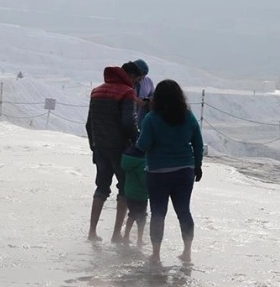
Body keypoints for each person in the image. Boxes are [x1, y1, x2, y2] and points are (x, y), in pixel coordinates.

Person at [136, 79, 204, 263]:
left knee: (158, 213)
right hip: (184, 171)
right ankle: (187, 251)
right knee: (184, 211)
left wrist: (142, 119)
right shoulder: (188, 116)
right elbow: (198, 143)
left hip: (158, 172)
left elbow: (143, 145)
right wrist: (197, 166)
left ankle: (156, 254)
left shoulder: (151, 118)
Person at [85, 61, 141, 242]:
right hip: (120, 149)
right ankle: (116, 234)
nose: (136, 84)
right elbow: (128, 123)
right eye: (137, 80)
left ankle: (92, 232)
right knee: (123, 189)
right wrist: (138, 142)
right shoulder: (127, 92)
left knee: (101, 188)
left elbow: (88, 124)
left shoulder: (97, 91)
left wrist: (94, 145)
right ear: (131, 76)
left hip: (100, 147)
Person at [121, 146, 148, 246]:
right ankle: (139, 239)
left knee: (132, 214)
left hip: (130, 192)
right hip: (141, 194)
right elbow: (144, 181)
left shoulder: (128, 161)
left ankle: (126, 236)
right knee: (141, 217)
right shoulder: (142, 163)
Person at [134, 59, 154, 128]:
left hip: (142, 123)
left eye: (144, 75)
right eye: (140, 75)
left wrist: (147, 100)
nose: (142, 78)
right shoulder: (126, 82)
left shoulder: (148, 81)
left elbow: (153, 97)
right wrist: (135, 100)